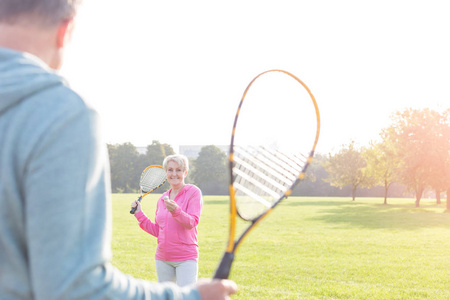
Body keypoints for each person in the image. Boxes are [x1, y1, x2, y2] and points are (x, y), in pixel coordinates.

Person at [0, 1, 237, 299]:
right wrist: (191, 296)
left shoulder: (190, 194)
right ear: (65, 30)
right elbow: (76, 288)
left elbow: (188, 223)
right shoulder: (61, 115)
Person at [131, 154, 202, 286]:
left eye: (178, 170)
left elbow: (192, 222)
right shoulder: (162, 198)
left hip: (186, 258)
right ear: (166, 173)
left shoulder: (193, 192)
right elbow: (158, 230)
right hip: (163, 258)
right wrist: (139, 214)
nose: (174, 174)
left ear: (185, 172)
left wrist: (176, 211)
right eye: (170, 170)